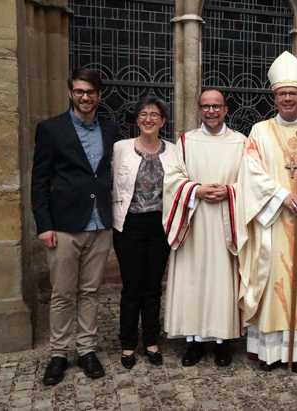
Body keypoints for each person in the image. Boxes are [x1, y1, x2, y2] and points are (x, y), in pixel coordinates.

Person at [236, 51, 297, 375]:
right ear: (275, 96)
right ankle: (270, 351)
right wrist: (282, 196)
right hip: (275, 220)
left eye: (292, 93)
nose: (287, 99)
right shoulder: (259, 131)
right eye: (282, 94)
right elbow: (251, 172)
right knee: (274, 282)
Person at [31, 68, 119, 385]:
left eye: (91, 92)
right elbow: (39, 181)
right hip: (64, 226)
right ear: (71, 92)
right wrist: (44, 225)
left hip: (100, 224)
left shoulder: (109, 129)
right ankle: (58, 354)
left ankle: (86, 350)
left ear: (99, 95)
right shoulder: (51, 129)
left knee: (91, 292)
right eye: (80, 91)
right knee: (63, 293)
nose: (85, 97)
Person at [162, 89, 246, 367]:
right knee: (193, 280)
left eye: (216, 106)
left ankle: (222, 343)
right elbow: (172, 179)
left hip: (225, 221)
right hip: (194, 221)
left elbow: (251, 183)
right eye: (206, 106)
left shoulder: (240, 142)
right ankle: (194, 341)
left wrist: (230, 191)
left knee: (221, 281)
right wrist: (195, 190)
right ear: (199, 109)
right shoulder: (186, 141)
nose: (211, 111)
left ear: (225, 110)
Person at [111, 96, 176, 369]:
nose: (149, 119)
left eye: (155, 114)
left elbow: (181, 186)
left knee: (153, 287)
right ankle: (127, 344)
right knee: (131, 287)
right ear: (137, 119)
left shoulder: (174, 151)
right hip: (129, 225)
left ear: (163, 121)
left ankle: (151, 341)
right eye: (143, 114)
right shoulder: (120, 149)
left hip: (159, 226)